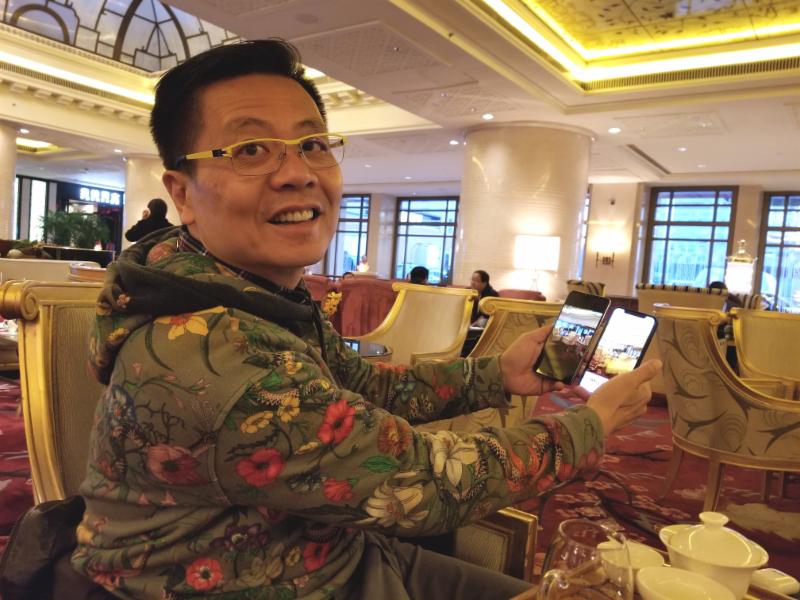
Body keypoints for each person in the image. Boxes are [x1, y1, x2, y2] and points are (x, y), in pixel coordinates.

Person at [74, 40, 659, 599]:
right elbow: (420, 483)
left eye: (312, 144)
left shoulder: (250, 295)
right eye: (250, 149)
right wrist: (593, 423)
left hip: (329, 554)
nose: (297, 172)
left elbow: (359, 385)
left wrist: (496, 374)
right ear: (183, 194)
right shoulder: (208, 354)